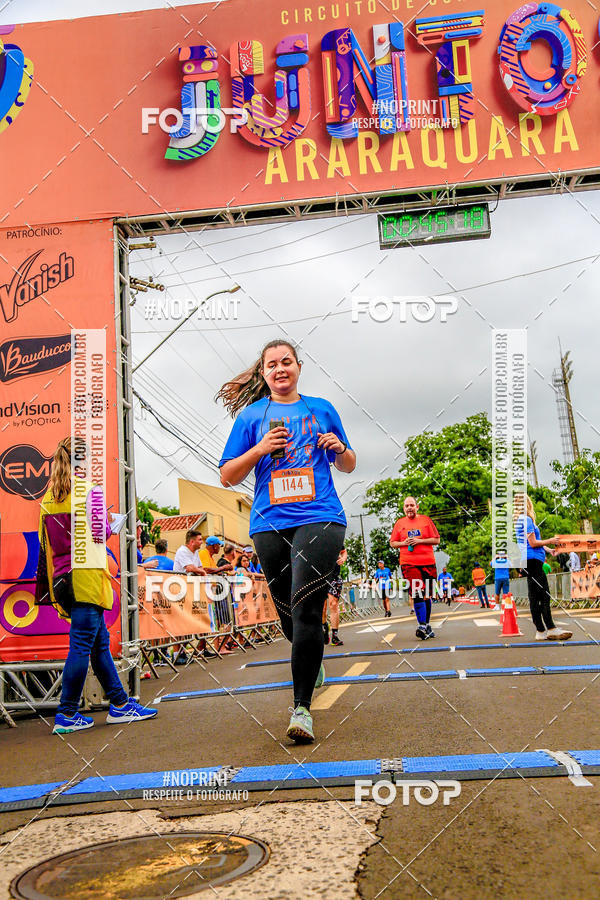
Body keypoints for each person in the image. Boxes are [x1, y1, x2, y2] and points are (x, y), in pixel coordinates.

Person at [218, 338, 355, 743]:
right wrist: (259, 449)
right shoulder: (251, 417)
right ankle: (310, 657)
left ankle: (301, 709)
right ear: (263, 373)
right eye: (272, 364)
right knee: (287, 614)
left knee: (306, 606)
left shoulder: (321, 409)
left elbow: (349, 464)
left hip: (320, 516)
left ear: (298, 367)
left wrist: (340, 448)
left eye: (287, 361)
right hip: (269, 522)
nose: (280, 369)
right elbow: (227, 476)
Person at [36, 437, 157, 734]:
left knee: (99, 644)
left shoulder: (48, 498)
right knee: (80, 646)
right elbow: (100, 535)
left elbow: (44, 540)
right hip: (87, 578)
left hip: (62, 579)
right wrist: (113, 523)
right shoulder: (90, 491)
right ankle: (66, 713)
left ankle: (120, 704)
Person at [514, 495, 572, 641]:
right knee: (543, 595)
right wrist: (551, 540)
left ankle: (540, 630)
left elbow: (533, 542)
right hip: (533, 560)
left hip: (528, 560)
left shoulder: (520, 520)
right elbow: (533, 543)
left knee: (534, 596)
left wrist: (548, 549)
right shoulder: (526, 520)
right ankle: (550, 628)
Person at [390, 497, 440, 640]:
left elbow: (437, 540)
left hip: (428, 562)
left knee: (427, 594)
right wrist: (404, 543)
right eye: (407, 506)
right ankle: (422, 625)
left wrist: (420, 541)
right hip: (409, 563)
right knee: (417, 591)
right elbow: (393, 543)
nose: (409, 508)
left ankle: (427, 625)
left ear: (417, 507)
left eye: (412, 505)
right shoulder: (400, 523)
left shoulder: (426, 520)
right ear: (403, 508)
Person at [324, 547, 347, 646]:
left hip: (334, 577)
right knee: (323, 608)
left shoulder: (334, 539)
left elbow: (344, 551)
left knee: (333, 604)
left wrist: (343, 558)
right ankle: (324, 627)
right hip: (320, 577)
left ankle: (334, 636)